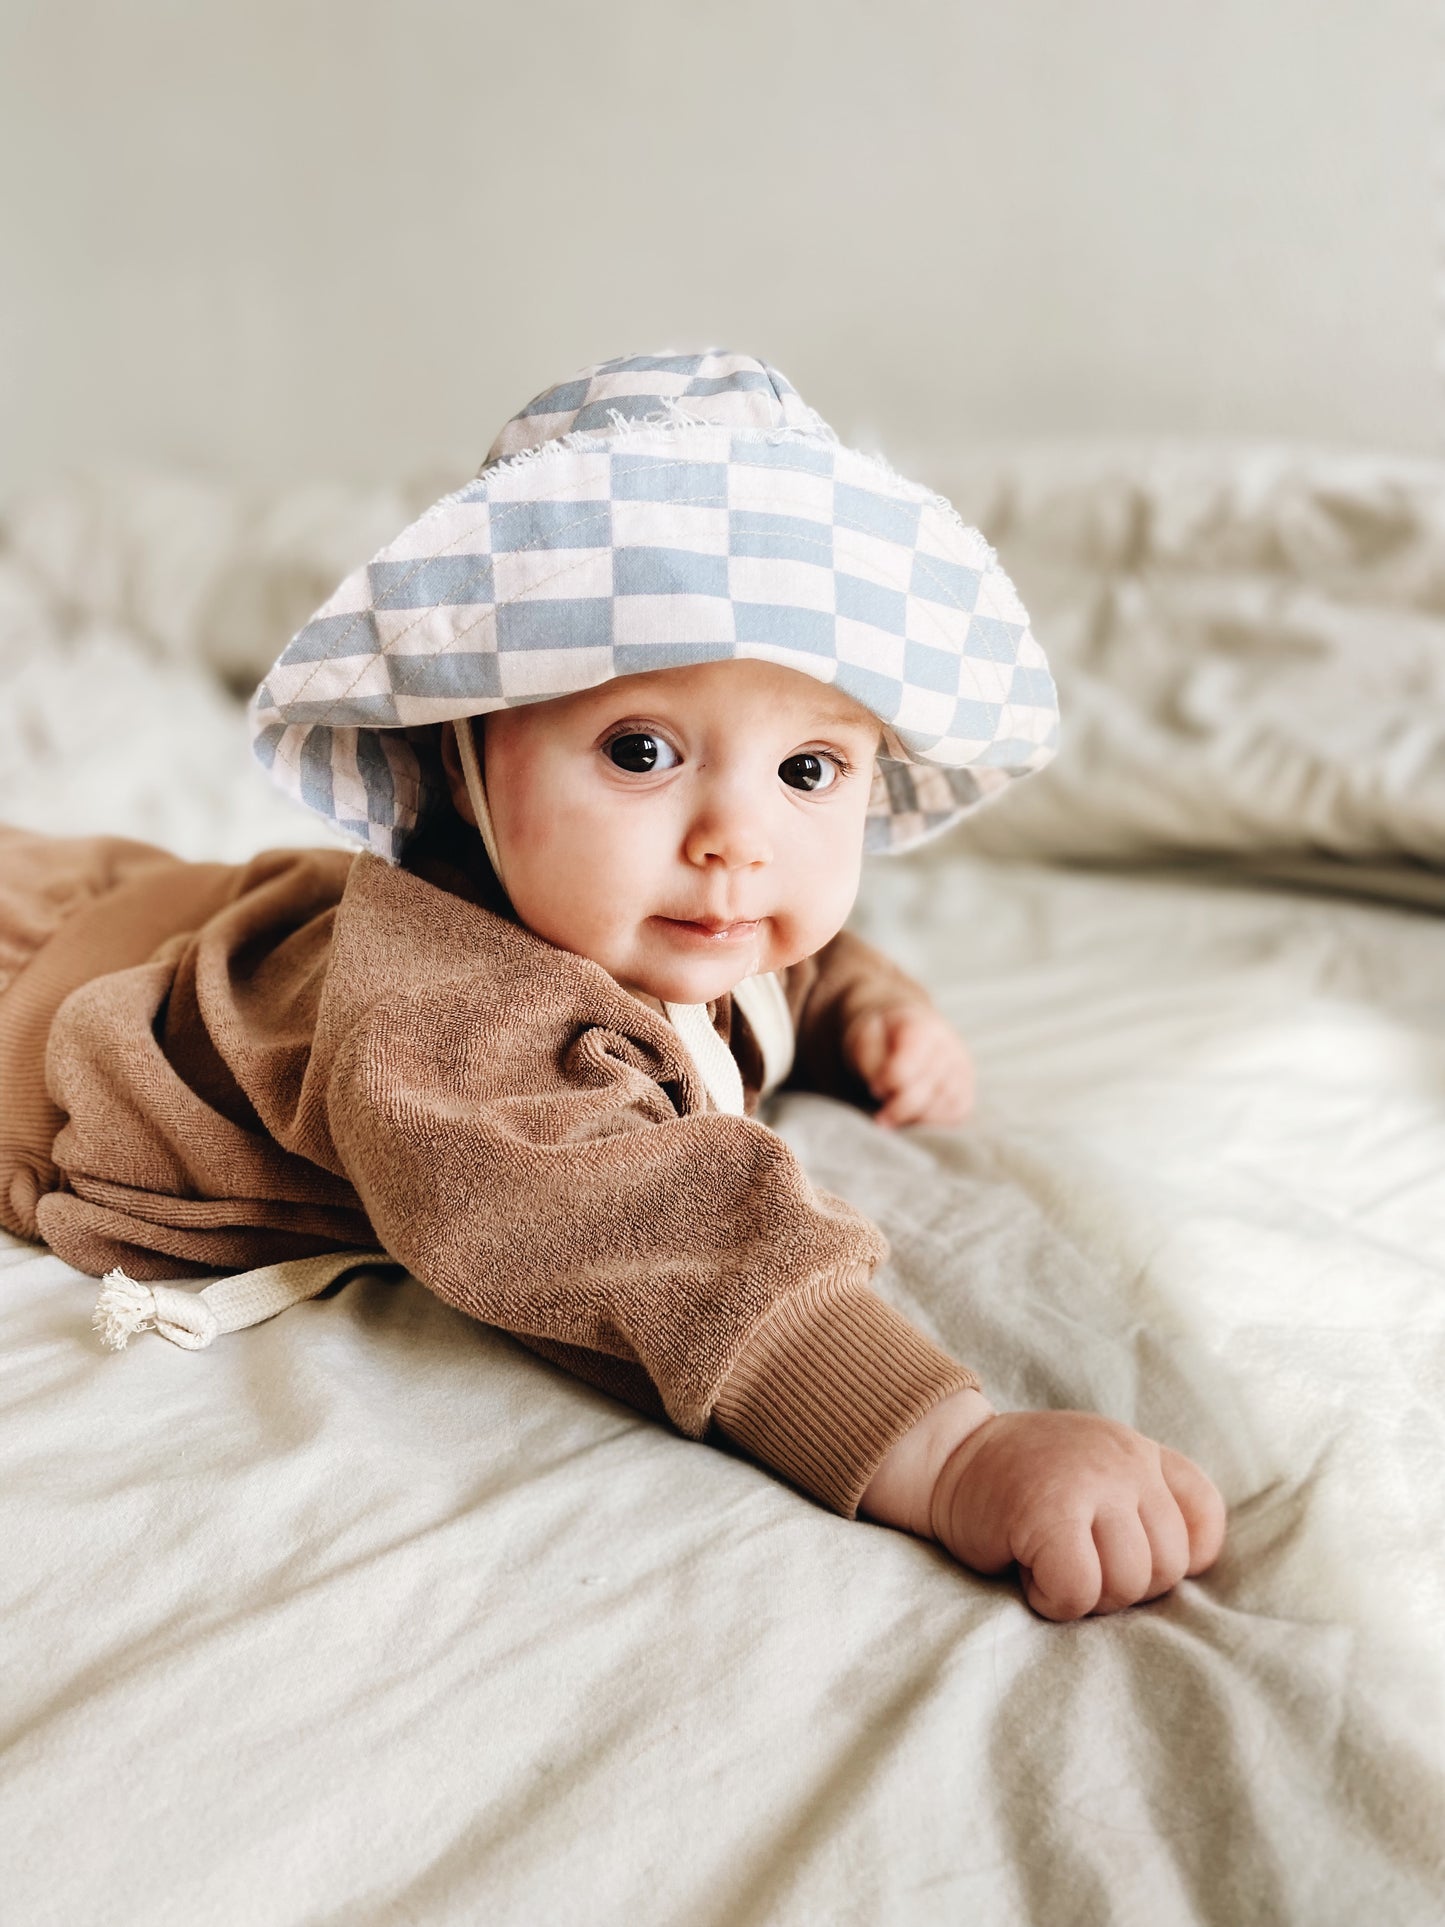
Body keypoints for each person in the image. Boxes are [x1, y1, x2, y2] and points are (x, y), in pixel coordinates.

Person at [0, 350, 1225, 1619]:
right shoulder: (457, 1031)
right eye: (641, 751)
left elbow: (771, 969)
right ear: (464, 762)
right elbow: (652, 1232)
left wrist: (865, 1003)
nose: (735, 842)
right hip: (41, 1003)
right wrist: (951, 1450)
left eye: (809, 770)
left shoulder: (692, 915)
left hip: (155, 909)